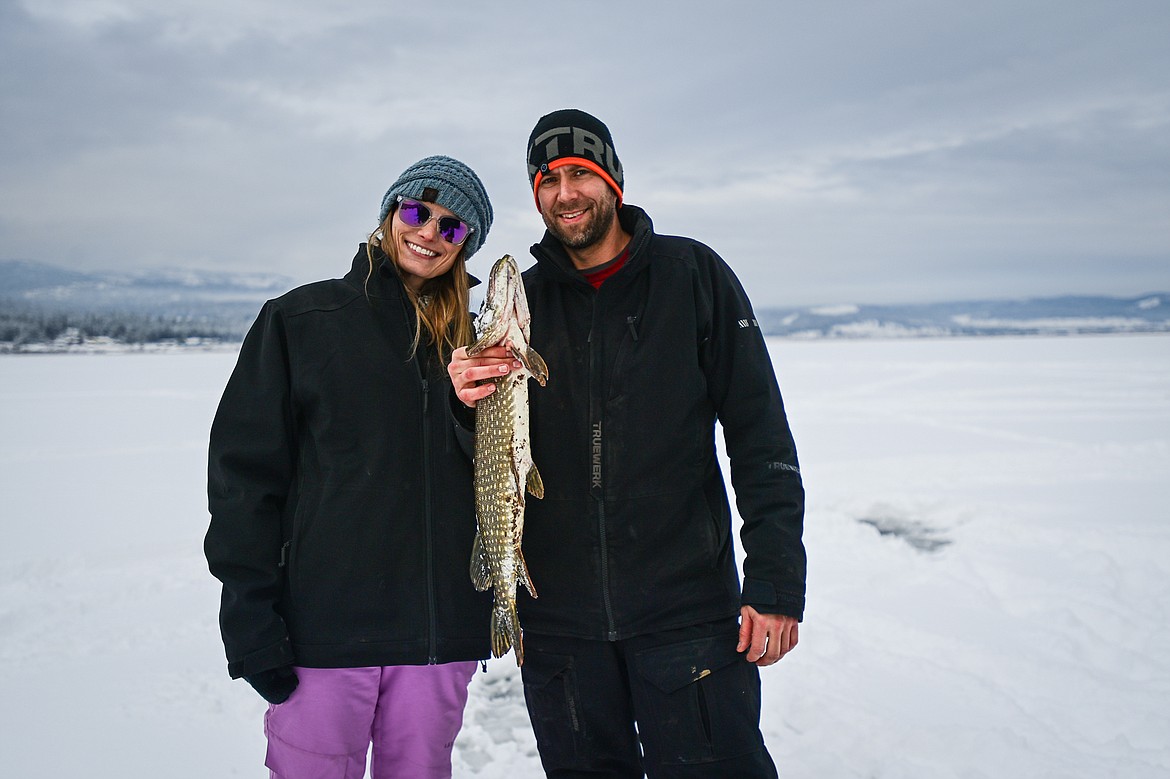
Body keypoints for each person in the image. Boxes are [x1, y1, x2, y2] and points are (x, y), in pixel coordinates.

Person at [448, 110, 807, 778]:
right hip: (557, 629)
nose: (564, 192)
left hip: (687, 619)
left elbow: (761, 436)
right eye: (547, 179)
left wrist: (777, 582)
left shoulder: (694, 276)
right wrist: (461, 403)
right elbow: (483, 459)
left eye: (580, 172)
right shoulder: (520, 307)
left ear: (612, 179)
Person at [206, 155, 495, 779]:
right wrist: (250, 617)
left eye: (452, 227)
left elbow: (504, 477)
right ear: (391, 213)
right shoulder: (302, 322)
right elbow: (243, 482)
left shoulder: (477, 349)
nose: (428, 233)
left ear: (465, 245)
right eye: (417, 212)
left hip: (437, 642)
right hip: (325, 634)